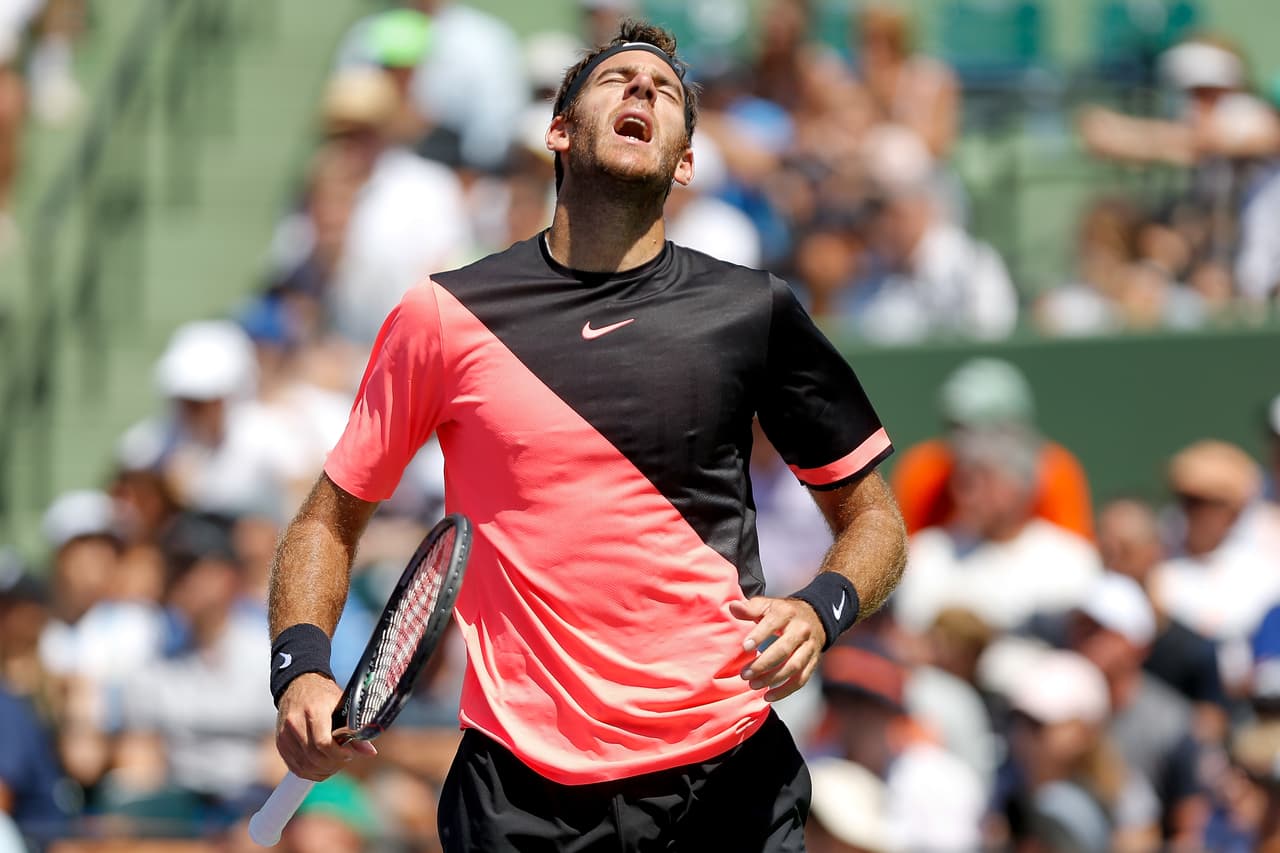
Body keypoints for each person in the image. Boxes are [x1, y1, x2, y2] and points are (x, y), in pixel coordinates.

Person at [268, 21, 907, 852]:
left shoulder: (755, 312)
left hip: (726, 773)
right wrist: (301, 667)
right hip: (518, 794)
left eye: (666, 90)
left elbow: (876, 520)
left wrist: (821, 611)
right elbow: (328, 517)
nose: (643, 90)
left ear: (684, 161)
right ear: (559, 131)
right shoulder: (444, 316)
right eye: (618, 80)